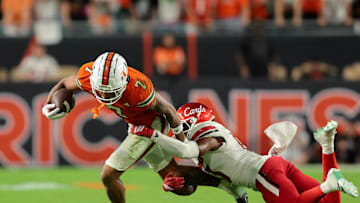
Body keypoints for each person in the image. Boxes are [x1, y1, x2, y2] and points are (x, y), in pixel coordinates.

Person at [41, 52, 248, 203]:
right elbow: (62, 85)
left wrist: (181, 139)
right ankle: (229, 184)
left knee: (107, 175)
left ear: (123, 80)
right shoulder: (88, 74)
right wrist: (52, 104)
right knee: (179, 183)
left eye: (109, 91)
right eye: (100, 91)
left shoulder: (138, 88)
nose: (104, 96)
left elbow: (167, 110)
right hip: (135, 125)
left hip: (151, 125)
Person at [150, 102, 358, 202]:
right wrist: (173, 183)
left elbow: (188, 150)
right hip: (273, 165)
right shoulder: (211, 137)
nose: (179, 129)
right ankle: (327, 145)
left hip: (263, 173)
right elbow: (209, 176)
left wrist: (154, 136)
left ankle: (329, 183)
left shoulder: (205, 137)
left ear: (190, 123)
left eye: (181, 125)